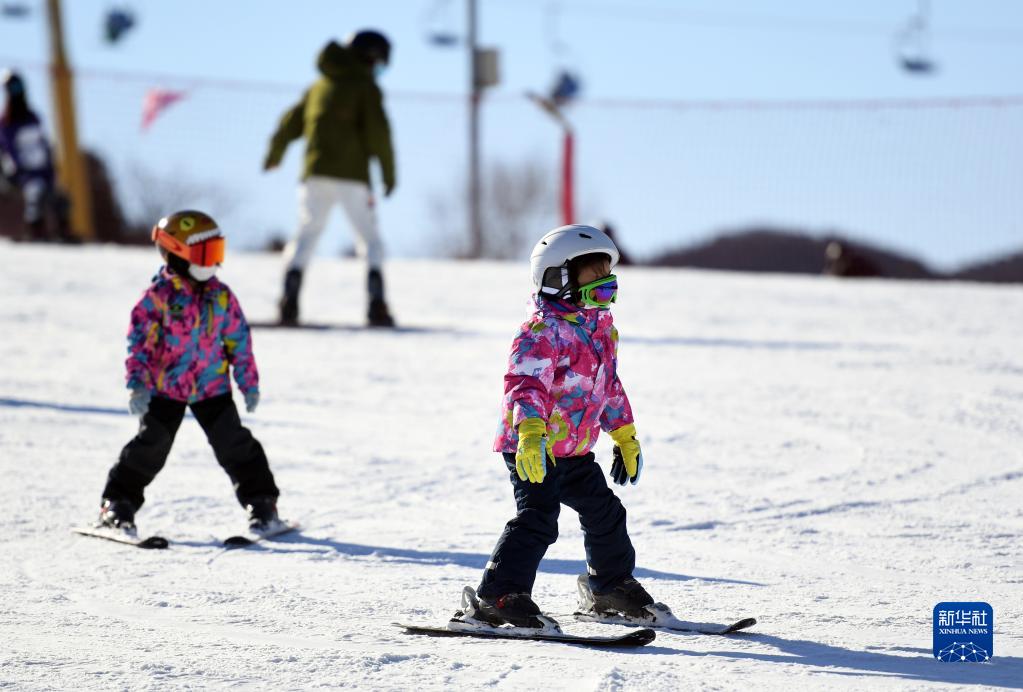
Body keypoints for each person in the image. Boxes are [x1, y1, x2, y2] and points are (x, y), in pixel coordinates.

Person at [472, 224, 653, 629]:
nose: (604, 295)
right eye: (595, 285)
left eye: (609, 286)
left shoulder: (601, 331)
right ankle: (497, 597)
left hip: (574, 450)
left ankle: (610, 587)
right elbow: (525, 385)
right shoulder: (541, 331)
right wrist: (530, 433)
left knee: (606, 512)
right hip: (533, 446)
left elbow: (607, 386)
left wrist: (624, 434)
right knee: (538, 517)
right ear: (558, 280)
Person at [97, 210, 282, 534]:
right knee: (151, 446)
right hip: (166, 387)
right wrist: (137, 384)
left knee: (234, 444)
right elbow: (140, 344)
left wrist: (248, 384)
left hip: (212, 387)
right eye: (205, 254)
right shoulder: (157, 298)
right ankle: (117, 503)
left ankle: (262, 502)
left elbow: (239, 341)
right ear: (177, 254)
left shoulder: (221, 296)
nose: (213, 263)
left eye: (217, 252)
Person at [263, 30, 396, 327]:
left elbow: (290, 123)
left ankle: (288, 301)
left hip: (315, 174)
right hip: (353, 177)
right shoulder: (366, 88)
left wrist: (274, 154)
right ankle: (376, 305)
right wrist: (389, 174)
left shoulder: (319, 86)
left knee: (307, 233)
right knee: (370, 238)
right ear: (369, 57)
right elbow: (379, 134)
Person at [0, 69, 72, 242]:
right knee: (36, 192)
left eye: (18, 87)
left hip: (42, 171)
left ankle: (63, 232)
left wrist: (50, 170)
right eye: (12, 88)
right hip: (21, 174)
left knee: (60, 197)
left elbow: (44, 147)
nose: (16, 92)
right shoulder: (6, 123)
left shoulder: (33, 118)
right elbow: (7, 151)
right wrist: (16, 171)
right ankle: (36, 231)